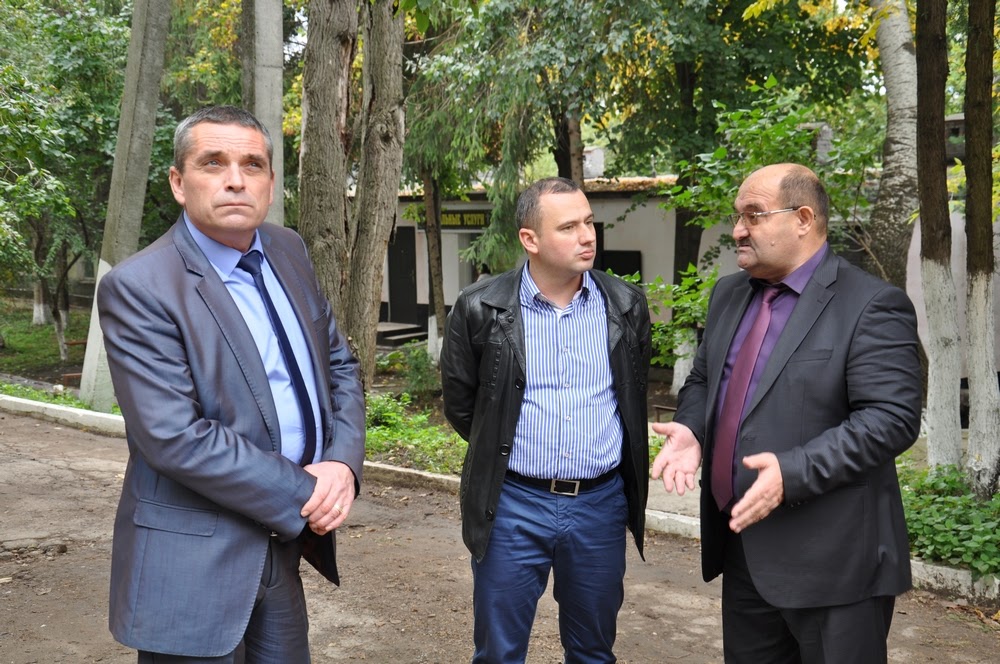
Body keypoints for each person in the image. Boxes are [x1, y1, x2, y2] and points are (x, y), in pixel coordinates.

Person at [97, 106, 365, 662]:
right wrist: (307, 492)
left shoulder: (288, 249)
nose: (236, 179)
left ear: (270, 181)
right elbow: (175, 436)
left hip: (280, 550)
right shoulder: (139, 286)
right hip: (193, 561)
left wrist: (342, 463)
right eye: (213, 162)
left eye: (253, 164)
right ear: (179, 182)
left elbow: (338, 364)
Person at [652, 163, 922, 663]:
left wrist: (792, 472)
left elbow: (891, 418)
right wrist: (693, 429)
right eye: (737, 216)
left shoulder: (870, 304)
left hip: (835, 563)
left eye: (753, 215)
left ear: (803, 219)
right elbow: (706, 380)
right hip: (744, 552)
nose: (738, 230)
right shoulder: (729, 294)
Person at [440, 177, 651, 663]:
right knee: (499, 652)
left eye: (589, 222)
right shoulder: (480, 307)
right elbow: (463, 405)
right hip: (512, 504)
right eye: (569, 227)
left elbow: (630, 395)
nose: (587, 236)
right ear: (529, 239)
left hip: (599, 506)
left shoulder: (625, 305)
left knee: (593, 651)